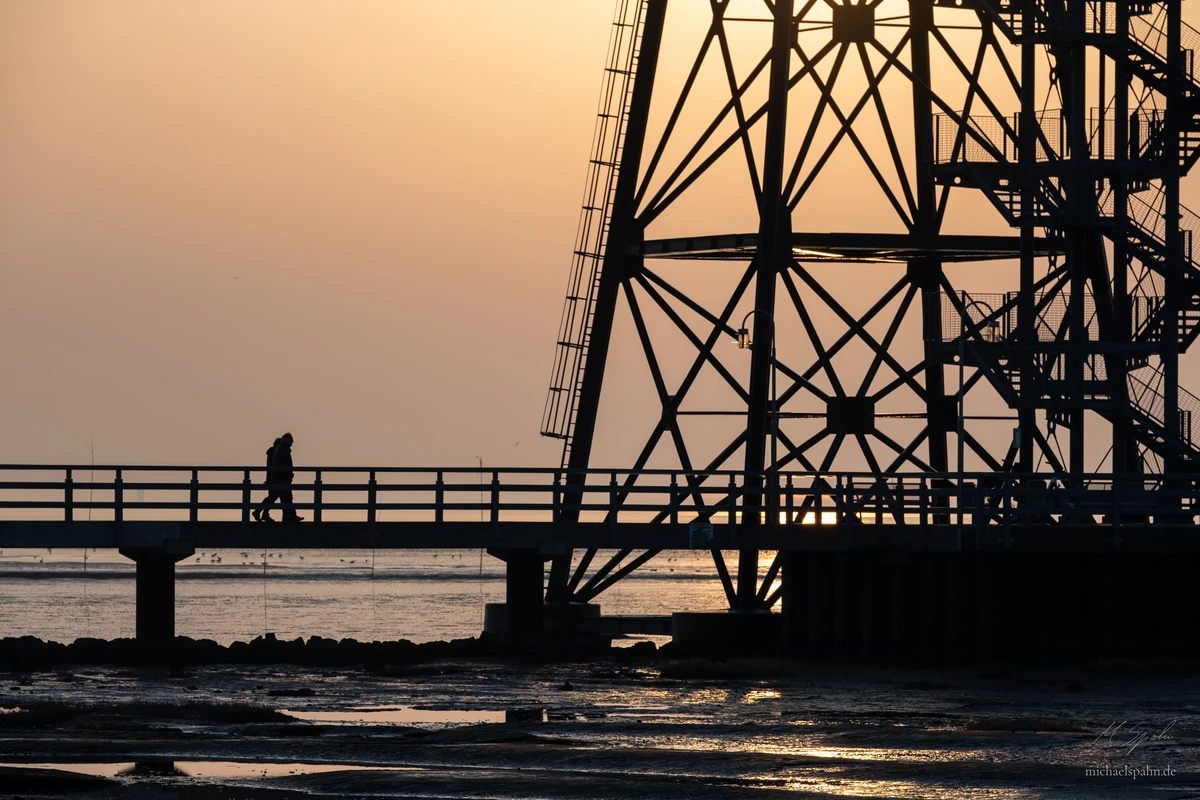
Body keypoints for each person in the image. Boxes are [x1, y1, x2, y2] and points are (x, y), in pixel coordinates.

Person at [273, 432, 304, 523]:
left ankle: (288, 516)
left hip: (280, 477)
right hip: (282, 478)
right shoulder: (284, 450)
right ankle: (291, 516)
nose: (291, 443)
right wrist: (288, 474)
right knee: (287, 497)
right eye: (291, 441)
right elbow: (285, 464)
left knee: (285, 498)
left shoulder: (281, 449)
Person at [253, 437, 283, 522]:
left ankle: (264, 513)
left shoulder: (271, 452)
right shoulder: (274, 452)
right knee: (272, 496)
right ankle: (259, 511)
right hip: (274, 478)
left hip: (271, 478)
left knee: (272, 496)